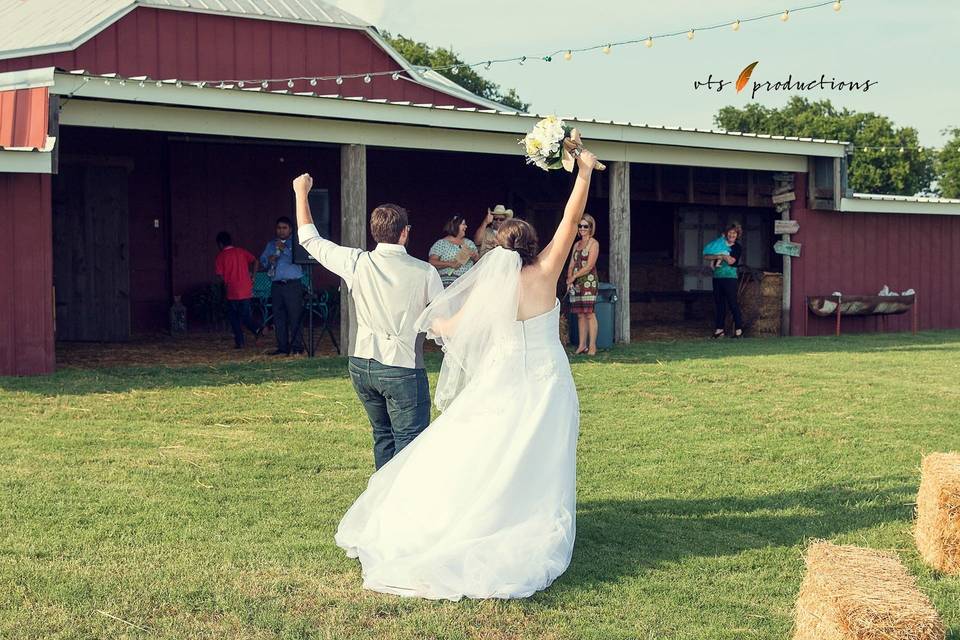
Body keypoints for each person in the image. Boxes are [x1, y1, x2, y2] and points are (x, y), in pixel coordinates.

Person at [334, 149, 599, 601]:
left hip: (503, 377)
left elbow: (449, 329)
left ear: (497, 250)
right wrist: (585, 173)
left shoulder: (491, 288)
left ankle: (472, 513)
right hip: (547, 379)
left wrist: (427, 320)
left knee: (486, 446)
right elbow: (572, 219)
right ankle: (519, 516)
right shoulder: (547, 271)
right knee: (540, 451)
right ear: (534, 244)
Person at [293, 175, 443, 470]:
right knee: (411, 443)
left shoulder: (356, 262)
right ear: (404, 233)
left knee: (383, 436)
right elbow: (439, 322)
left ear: (376, 232)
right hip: (401, 368)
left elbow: (309, 238)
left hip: (361, 364)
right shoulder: (425, 272)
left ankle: (379, 504)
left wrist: (301, 193)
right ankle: (402, 505)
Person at [260, 217, 304, 355]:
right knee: (279, 316)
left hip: (292, 284)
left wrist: (284, 249)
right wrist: (269, 260)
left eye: (284, 228)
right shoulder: (271, 244)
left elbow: (298, 259)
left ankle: (297, 347)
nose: (281, 231)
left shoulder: (296, 243)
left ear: (290, 229)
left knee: (295, 316)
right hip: (276, 284)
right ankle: (282, 347)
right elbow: (263, 260)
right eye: (279, 228)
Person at [214, 231, 261, 349]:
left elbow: (220, 275)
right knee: (245, 315)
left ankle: (243, 338)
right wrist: (253, 276)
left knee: (234, 317)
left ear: (220, 244)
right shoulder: (241, 251)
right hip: (246, 288)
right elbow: (255, 261)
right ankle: (257, 329)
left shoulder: (220, 256)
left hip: (232, 290)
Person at [565, 213, 600, 355]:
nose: (582, 229)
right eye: (580, 226)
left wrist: (573, 277)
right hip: (576, 283)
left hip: (588, 283)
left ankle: (592, 346)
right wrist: (569, 278)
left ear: (591, 227)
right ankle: (582, 345)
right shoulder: (576, 245)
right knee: (580, 314)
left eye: (585, 226)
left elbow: (589, 265)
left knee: (589, 313)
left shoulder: (594, 243)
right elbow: (571, 264)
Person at [704, 223, 744, 338]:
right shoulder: (720, 244)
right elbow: (706, 256)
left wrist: (722, 256)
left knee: (732, 303)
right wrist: (719, 256)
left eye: (734, 233)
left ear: (737, 235)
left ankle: (738, 330)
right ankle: (719, 330)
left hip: (730, 277)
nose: (732, 235)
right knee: (719, 304)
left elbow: (731, 261)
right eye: (730, 232)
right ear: (726, 234)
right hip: (717, 277)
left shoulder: (737, 247)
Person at [428, 215, 480, 287]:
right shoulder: (442, 243)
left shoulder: (469, 243)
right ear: (456, 225)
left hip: (466, 283)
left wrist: (475, 257)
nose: (466, 226)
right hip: (447, 284)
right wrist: (450, 264)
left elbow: (478, 261)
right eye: (463, 224)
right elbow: (432, 262)